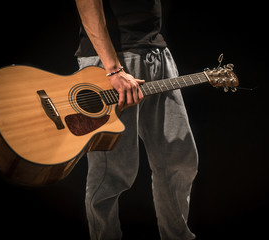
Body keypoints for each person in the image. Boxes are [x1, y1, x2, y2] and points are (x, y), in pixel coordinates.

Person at [74, 0, 198, 239]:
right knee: (110, 173)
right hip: (109, 64)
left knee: (178, 159)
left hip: (156, 53)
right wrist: (113, 69)